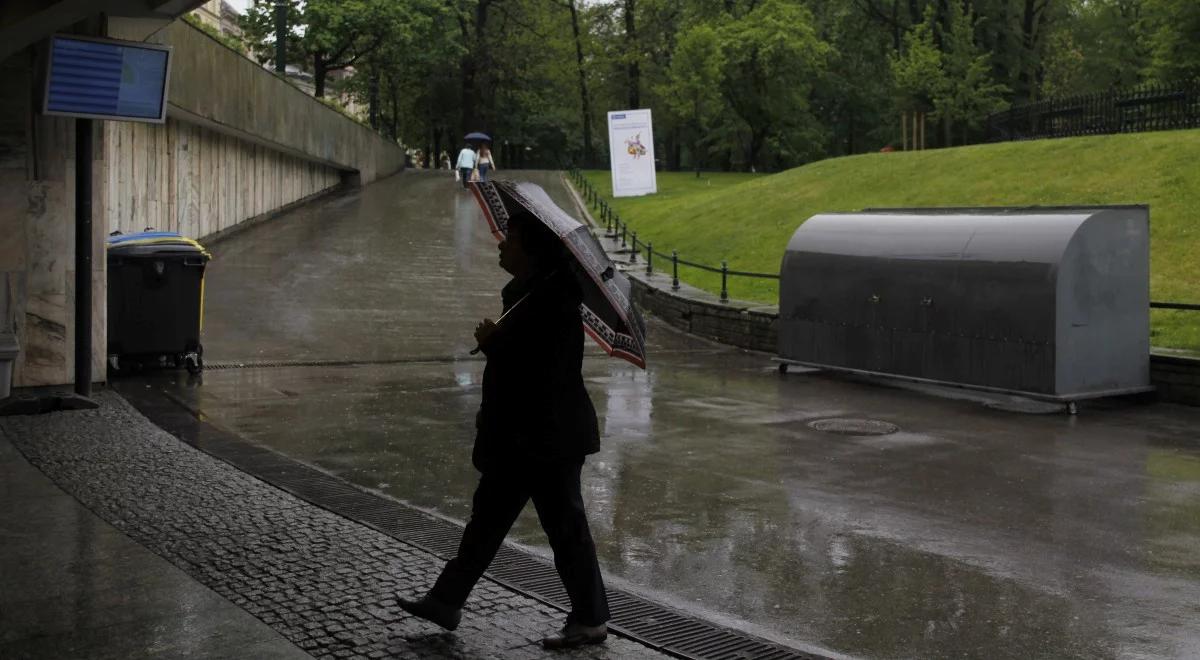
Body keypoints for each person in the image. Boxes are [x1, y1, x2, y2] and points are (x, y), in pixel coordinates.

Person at [399, 212, 610, 650]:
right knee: (488, 522)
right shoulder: (532, 293)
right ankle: (445, 600)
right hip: (525, 436)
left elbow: (543, 375)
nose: (500, 243)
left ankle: (590, 620)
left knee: (563, 527)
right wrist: (499, 341)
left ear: (530, 249)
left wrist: (497, 344)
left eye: (509, 237)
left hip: (544, 440)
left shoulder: (550, 300)